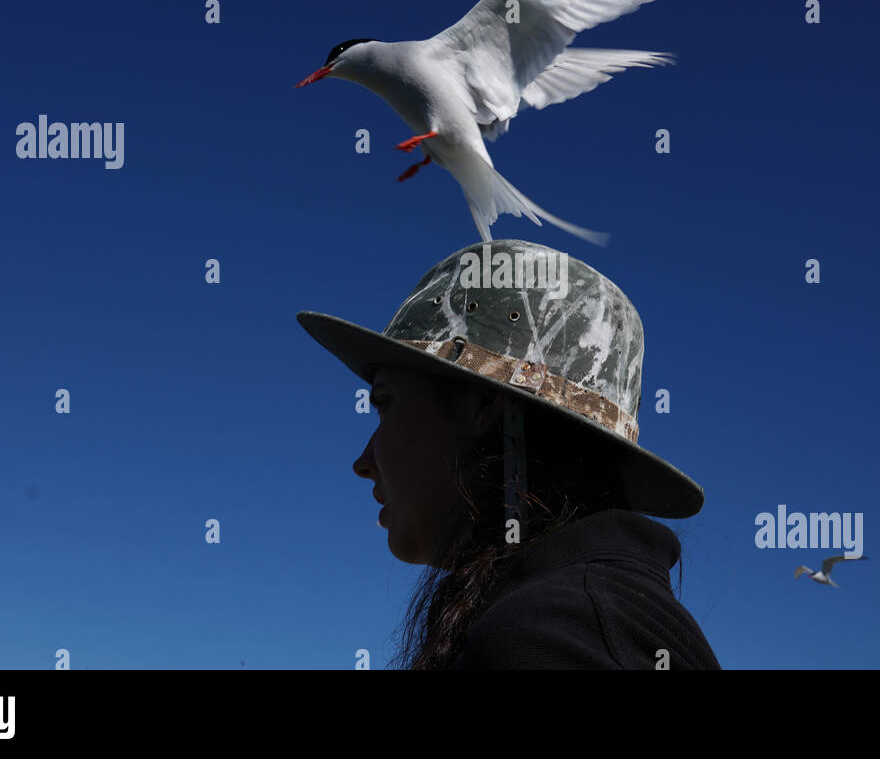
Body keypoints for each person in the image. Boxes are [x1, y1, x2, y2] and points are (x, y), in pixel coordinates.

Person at [296, 240, 720, 669]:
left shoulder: (556, 633)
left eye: (385, 404)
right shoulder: (593, 615)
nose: (363, 462)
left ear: (483, 407)